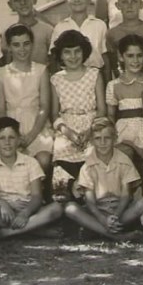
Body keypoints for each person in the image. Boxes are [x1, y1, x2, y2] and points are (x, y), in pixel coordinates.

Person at [64, 118, 143, 240]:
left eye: (107, 138)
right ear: (92, 141)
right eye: (98, 139)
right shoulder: (88, 166)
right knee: (70, 208)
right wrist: (103, 219)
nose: (102, 143)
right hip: (98, 212)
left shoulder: (124, 161)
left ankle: (99, 230)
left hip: (120, 210)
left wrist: (115, 216)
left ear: (115, 139)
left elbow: (126, 196)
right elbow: (89, 201)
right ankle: (118, 236)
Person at [0, 117, 63, 241]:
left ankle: (6, 233)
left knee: (56, 209)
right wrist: (1, 203)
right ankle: (36, 230)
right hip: (7, 212)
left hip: (30, 209)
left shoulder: (31, 163)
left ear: (18, 139)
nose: (7, 142)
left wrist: (25, 213)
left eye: (11, 137)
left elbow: (37, 196)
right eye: (2, 138)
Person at [0, 24, 52, 178]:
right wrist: (15, 136)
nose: (22, 49)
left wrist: (32, 134)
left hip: (37, 125)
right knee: (13, 162)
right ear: (9, 47)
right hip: (11, 127)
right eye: (16, 45)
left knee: (43, 159)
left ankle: (40, 194)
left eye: (26, 44)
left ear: (32, 44)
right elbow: (0, 110)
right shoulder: (0, 73)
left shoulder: (41, 70)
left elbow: (44, 106)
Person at [50, 30, 106, 189]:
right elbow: (54, 114)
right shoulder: (56, 79)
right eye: (67, 52)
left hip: (92, 125)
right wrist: (67, 132)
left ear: (84, 51)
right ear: (60, 55)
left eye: (77, 51)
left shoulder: (94, 74)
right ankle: (66, 193)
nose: (73, 56)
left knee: (95, 153)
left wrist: (90, 131)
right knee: (61, 150)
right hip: (67, 128)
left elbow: (101, 109)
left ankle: (94, 193)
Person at [106, 34, 143, 177]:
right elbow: (111, 115)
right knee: (125, 155)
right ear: (121, 57)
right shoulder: (114, 85)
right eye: (130, 56)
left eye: (139, 55)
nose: (135, 60)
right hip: (126, 132)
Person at [50, 0, 111, 83]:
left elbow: (105, 57)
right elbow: (55, 60)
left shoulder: (100, 25)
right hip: (69, 79)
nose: (77, 0)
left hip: (96, 78)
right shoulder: (60, 27)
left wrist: (108, 83)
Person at [2, 0, 54, 66]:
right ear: (10, 5)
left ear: (34, 0)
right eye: (17, 0)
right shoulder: (7, 33)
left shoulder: (48, 31)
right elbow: (6, 64)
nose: (23, 3)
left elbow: (54, 62)